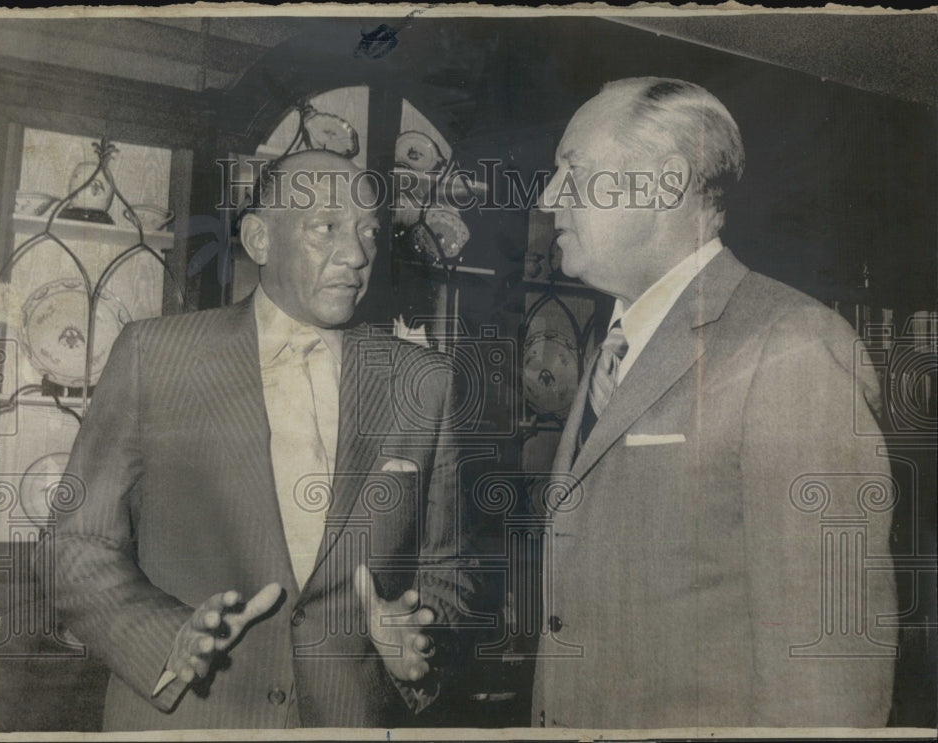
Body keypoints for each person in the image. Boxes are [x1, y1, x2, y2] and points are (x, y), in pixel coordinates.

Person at [45, 150, 471, 730]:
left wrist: (419, 642)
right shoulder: (154, 356)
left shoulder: (424, 383)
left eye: (370, 231)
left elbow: (447, 570)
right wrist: (166, 639)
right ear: (260, 239)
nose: (357, 254)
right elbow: (78, 545)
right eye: (326, 228)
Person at [532, 78, 897, 729]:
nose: (547, 196)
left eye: (574, 171)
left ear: (666, 184)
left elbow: (829, 663)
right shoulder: (612, 347)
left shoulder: (790, 345)